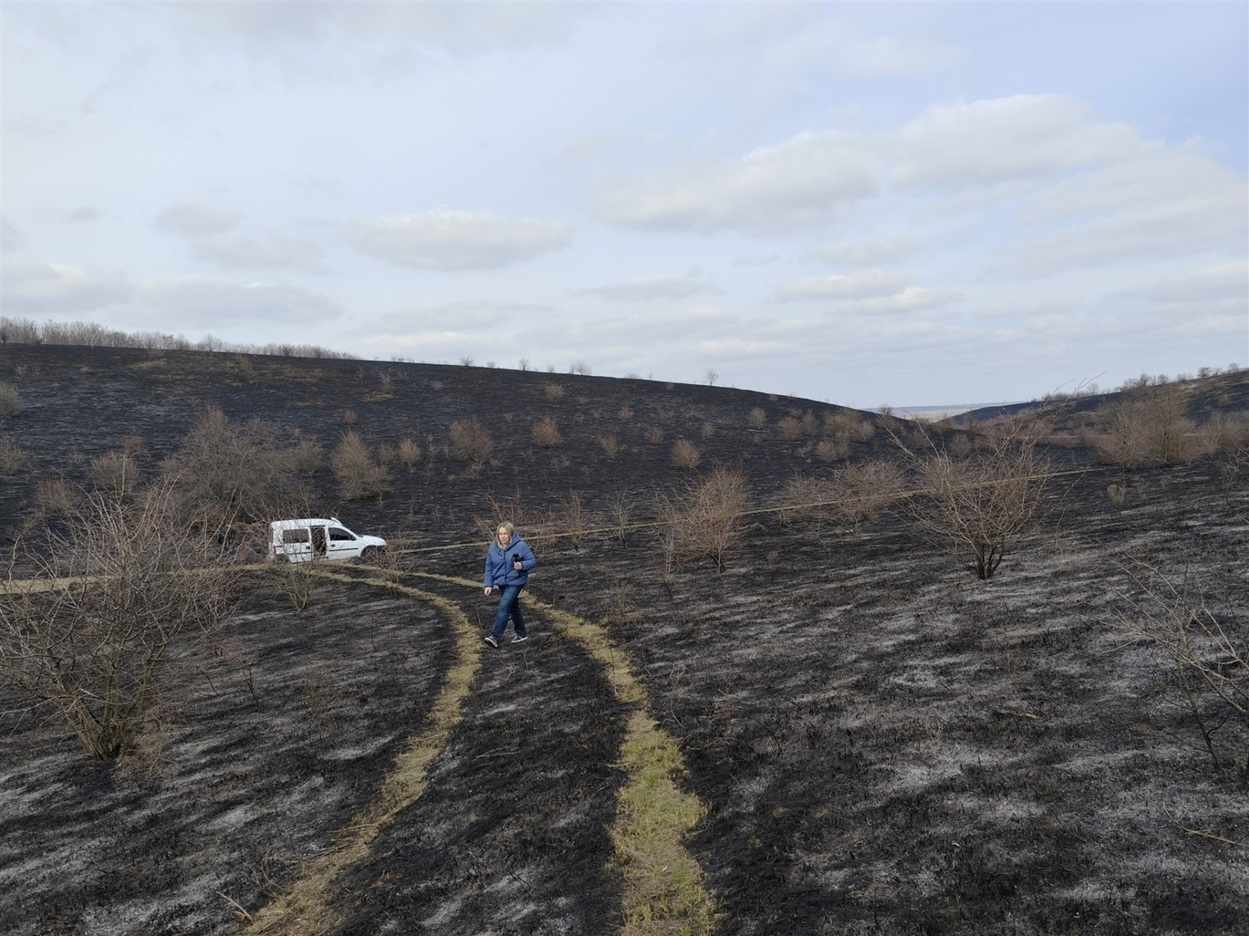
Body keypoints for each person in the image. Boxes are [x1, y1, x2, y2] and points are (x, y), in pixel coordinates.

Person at [482, 521, 536, 648]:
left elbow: (532, 561)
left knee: (504, 606)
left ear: (511, 533)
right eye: (500, 534)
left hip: (516, 582)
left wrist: (521, 565)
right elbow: (489, 566)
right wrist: (488, 584)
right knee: (513, 607)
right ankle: (522, 634)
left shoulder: (520, 546)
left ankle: (494, 637)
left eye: (505, 533)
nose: (503, 536)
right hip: (502, 582)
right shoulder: (493, 547)